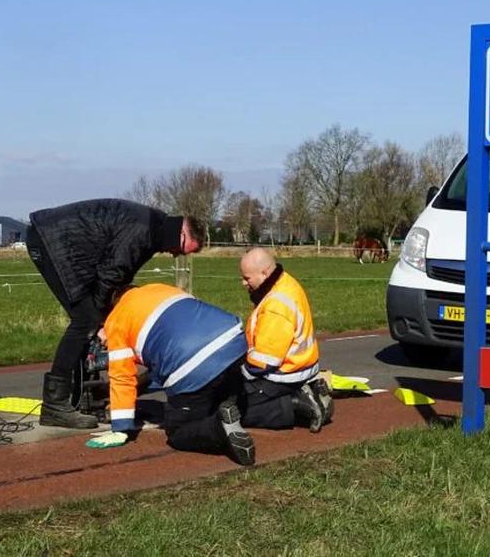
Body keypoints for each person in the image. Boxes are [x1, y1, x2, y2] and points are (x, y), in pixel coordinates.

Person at [25, 199, 204, 429]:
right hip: (52, 241)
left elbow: (121, 274)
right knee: (85, 321)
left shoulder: (154, 229)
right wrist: (102, 321)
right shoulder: (143, 231)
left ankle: (84, 398)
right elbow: (111, 274)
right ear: (181, 230)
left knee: (90, 321)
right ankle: (54, 404)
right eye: (179, 247)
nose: (174, 254)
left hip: (68, 246)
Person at [86, 283, 256, 466]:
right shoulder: (159, 288)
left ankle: (219, 427)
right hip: (233, 341)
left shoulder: (116, 320)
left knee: (177, 431)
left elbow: (122, 378)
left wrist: (120, 427)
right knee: (227, 396)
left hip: (192, 364)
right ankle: (286, 406)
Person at [237, 248, 333, 432]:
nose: (243, 282)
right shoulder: (285, 282)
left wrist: (236, 374)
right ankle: (307, 392)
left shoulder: (276, 305)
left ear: (265, 273)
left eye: (247, 278)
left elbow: (263, 363)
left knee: (233, 408)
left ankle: (297, 405)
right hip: (301, 367)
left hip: (282, 375)